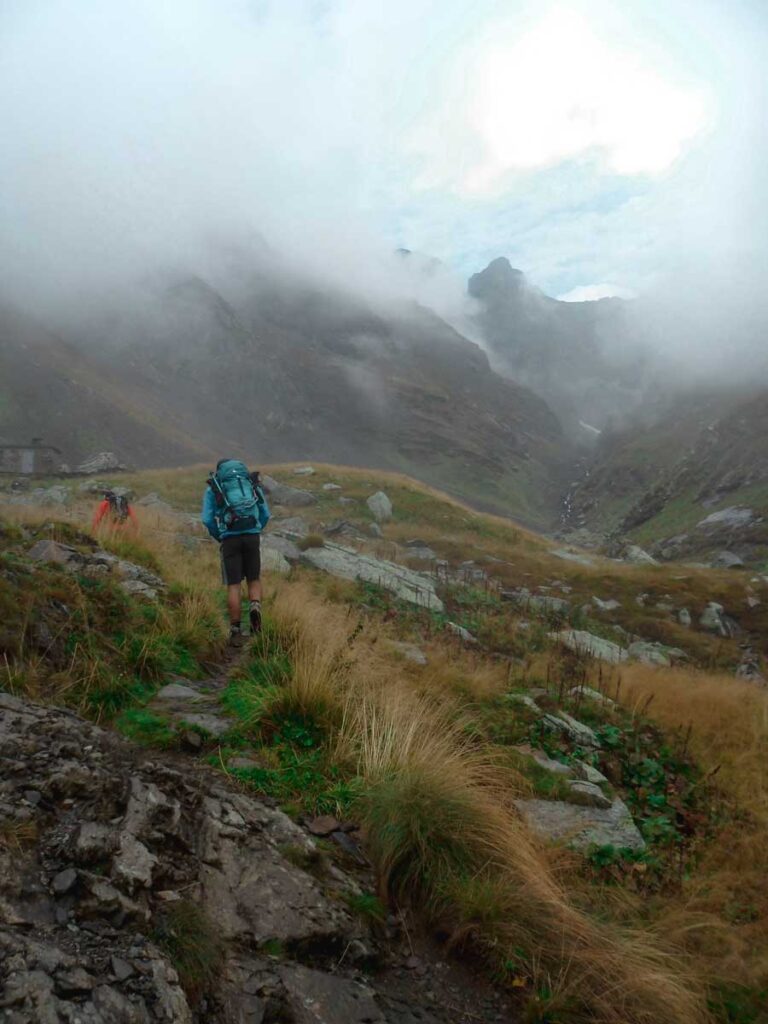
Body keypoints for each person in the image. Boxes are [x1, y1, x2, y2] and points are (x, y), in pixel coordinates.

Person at [201, 459, 270, 644]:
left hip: (230, 538)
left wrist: (220, 535)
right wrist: (256, 528)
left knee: (234, 584)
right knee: (254, 579)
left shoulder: (215, 488)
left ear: (219, 472)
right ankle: (255, 607)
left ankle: (235, 629)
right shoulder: (249, 484)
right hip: (252, 536)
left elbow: (207, 519)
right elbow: (265, 513)